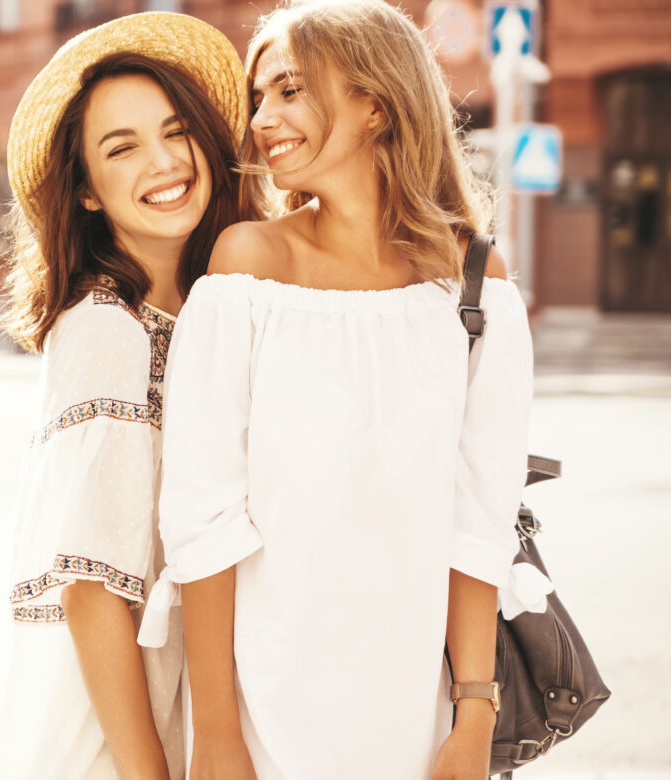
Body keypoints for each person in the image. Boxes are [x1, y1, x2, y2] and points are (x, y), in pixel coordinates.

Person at [135, 1, 534, 778]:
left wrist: (474, 718)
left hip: (414, 703)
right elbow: (202, 515)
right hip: (266, 702)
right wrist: (216, 733)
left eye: (288, 90)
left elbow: (480, 519)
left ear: (375, 102)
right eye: (260, 98)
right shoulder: (247, 266)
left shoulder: (474, 283)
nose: (262, 119)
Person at [0, 13, 258, 779]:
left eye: (176, 132)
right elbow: (89, 588)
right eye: (122, 148)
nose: (164, 162)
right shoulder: (106, 330)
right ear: (85, 193)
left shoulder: (216, 301)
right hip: (122, 713)